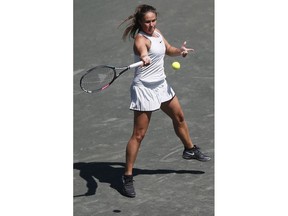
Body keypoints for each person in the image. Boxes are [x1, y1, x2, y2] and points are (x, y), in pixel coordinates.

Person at [119, 4, 211, 198]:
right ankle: (127, 176)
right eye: (147, 22)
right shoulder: (140, 39)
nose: (151, 25)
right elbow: (143, 51)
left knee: (179, 117)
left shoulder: (157, 33)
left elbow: (168, 49)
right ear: (140, 22)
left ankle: (189, 150)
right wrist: (144, 57)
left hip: (161, 86)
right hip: (145, 89)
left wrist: (180, 51)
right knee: (139, 134)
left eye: (153, 21)